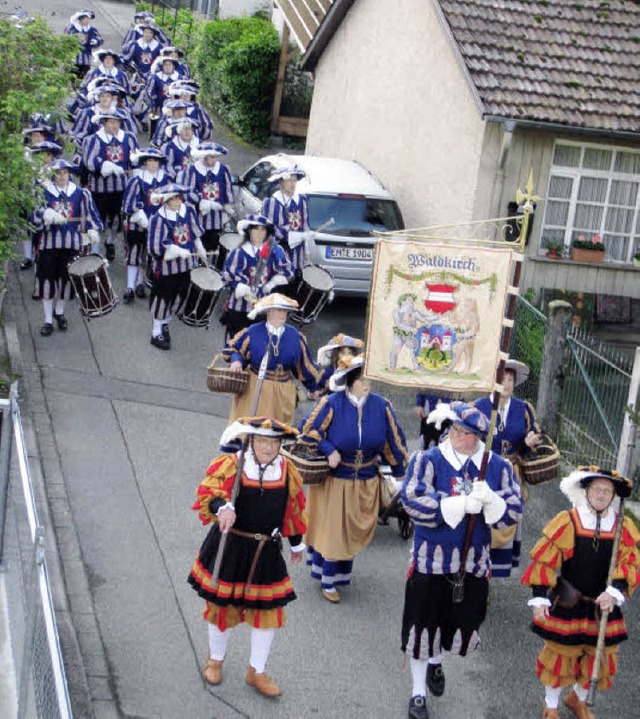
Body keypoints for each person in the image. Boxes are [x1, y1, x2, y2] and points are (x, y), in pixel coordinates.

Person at [400, 401, 522, 719]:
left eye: (463, 432)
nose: (455, 435)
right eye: (454, 428)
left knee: (457, 624)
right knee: (422, 627)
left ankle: (436, 663)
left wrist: (490, 500)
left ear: (478, 437)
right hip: (431, 563)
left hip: (473, 567)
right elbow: (411, 499)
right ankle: (417, 694)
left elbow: (513, 511)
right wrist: (456, 504)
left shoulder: (498, 467)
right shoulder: (427, 460)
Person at [187, 416, 307, 698]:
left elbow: (294, 509)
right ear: (251, 441)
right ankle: (215, 660)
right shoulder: (233, 464)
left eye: (274, 442)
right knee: (222, 607)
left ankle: (257, 671)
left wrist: (297, 543)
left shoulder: (287, 470)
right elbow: (209, 491)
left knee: (268, 613)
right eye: (262, 441)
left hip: (266, 550)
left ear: (281, 445)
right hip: (231, 545)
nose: (268, 447)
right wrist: (222, 507)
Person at [521, 467, 639, 719]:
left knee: (598, 658)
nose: (601, 494)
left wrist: (615, 591)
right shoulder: (569, 520)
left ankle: (577, 699)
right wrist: (540, 596)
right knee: (558, 658)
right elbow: (545, 561)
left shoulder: (622, 526)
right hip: (568, 603)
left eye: (607, 490)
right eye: (596, 488)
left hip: (603, 605)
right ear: (586, 491)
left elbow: (630, 563)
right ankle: (550, 708)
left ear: (613, 496)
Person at [298, 354, 408, 603]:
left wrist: (400, 472)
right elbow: (307, 431)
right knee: (333, 531)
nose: (366, 384)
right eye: (361, 380)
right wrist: (328, 449)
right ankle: (328, 580)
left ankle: (339, 576)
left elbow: (394, 441)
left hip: (366, 480)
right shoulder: (332, 403)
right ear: (350, 381)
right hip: (335, 479)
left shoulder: (382, 406)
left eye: (369, 380)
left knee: (352, 530)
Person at [474, 359, 542, 577]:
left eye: (510, 379)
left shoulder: (523, 409)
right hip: (483, 470)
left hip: (511, 471)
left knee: (506, 517)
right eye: (502, 378)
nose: (506, 383)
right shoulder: (479, 406)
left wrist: (531, 441)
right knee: (480, 517)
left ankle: (494, 570)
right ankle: (475, 566)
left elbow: (537, 435)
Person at [221, 293, 323, 426]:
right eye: (279, 310)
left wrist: (314, 388)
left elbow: (305, 365)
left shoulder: (295, 336)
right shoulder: (253, 332)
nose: (283, 314)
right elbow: (234, 349)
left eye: (285, 310)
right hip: (255, 388)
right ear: (269, 311)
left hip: (283, 392)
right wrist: (236, 360)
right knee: (248, 429)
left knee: (275, 432)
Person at [31, 159, 103, 336]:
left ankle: (59, 312)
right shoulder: (43, 193)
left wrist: (92, 229)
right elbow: (34, 220)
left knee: (67, 282)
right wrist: (47, 214)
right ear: (52, 174)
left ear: (69, 174)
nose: (61, 176)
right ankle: (47, 320)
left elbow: (92, 216)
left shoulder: (80, 193)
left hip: (72, 245)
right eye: (57, 173)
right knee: (47, 281)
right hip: (49, 245)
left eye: (64, 172)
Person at [147, 182, 206, 349]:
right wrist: (175, 250)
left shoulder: (188, 210)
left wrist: (199, 246)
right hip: (166, 269)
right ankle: (156, 332)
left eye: (179, 197)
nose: (177, 201)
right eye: (173, 198)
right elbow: (154, 248)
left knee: (179, 297)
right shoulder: (158, 219)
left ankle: (165, 323)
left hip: (186, 266)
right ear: (166, 200)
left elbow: (194, 232)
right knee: (163, 298)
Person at [220, 214, 293, 339]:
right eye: (255, 229)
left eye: (263, 229)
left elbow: (288, 271)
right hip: (238, 308)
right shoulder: (238, 252)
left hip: (262, 308)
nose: (259, 233)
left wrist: (272, 283)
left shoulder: (274, 251)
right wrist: (240, 287)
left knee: (256, 346)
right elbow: (226, 276)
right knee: (235, 344)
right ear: (249, 230)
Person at [83, 109, 139, 260]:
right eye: (111, 122)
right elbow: (89, 161)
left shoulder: (128, 138)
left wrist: (135, 161)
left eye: (117, 123)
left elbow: (136, 160)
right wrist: (107, 165)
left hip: (121, 188)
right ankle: (95, 251)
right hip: (100, 188)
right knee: (97, 219)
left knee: (117, 219)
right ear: (105, 123)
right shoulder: (95, 139)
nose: (114, 126)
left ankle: (110, 242)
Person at [121, 147, 169, 304]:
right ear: (145, 162)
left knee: (149, 256)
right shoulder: (136, 180)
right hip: (138, 225)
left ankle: (141, 283)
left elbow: (172, 203)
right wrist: (139, 213)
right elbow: (127, 204)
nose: (153, 164)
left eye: (155, 160)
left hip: (158, 227)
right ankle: (130, 287)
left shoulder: (166, 180)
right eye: (149, 160)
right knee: (135, 253)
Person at [182, 142, 235, 270]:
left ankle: (210, 270)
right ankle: (196, 269)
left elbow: (228, 188)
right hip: (199, 216)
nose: (214, 159)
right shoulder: (193, 170)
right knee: (198, 244)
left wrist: (228, 205)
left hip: (216, 217)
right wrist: (202, 202)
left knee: (213, 245)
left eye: (215, 157)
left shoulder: (223, 169)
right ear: (204, 156)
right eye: (211, 157)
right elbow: (188, 191)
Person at [261, 166, 314, 279]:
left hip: (297, 255)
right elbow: (267, 230)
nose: (293, 184)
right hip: (279, 254)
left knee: (294, 288)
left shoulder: (302, 200)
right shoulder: (271, 202)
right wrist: (289, 234)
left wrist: (307, 236)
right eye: (289, 180)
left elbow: (305, 224)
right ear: (281, 182)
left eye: (294, 180)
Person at [64, 10, 103, 80]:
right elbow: (65, 38)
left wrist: (96, 41)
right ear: (81, 19)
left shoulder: (91, 29)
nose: (87, 20)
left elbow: (99, 38)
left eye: (88, 19)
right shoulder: (72, 28)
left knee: (84, 73)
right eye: (86, 19)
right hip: (74, 56)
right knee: (72, 73)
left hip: (86, 57)